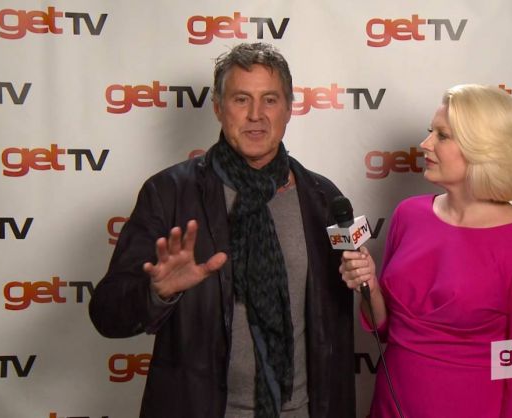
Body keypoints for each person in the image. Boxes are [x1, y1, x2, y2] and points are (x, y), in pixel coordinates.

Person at [89, 42, 355, 418]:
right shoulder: (169, 194)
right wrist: (157, 293)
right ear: (218, 107)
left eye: (270, 100)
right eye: (241, 99)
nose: (256, 115)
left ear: (289, 108)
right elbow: (107, 314)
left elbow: (338, 326)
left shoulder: (322, 198)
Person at [340, 84, 512, 418]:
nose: (425, 144)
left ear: (483, 148)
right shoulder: (408, 214)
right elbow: (384, 329)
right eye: (431, 131)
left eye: (442, 136)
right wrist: (369, 288)